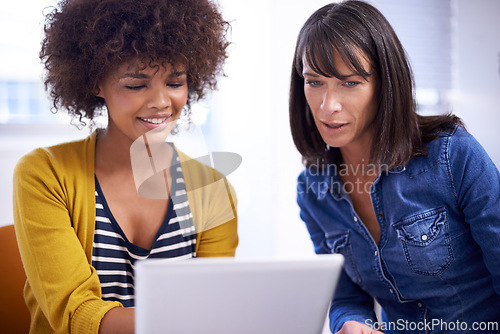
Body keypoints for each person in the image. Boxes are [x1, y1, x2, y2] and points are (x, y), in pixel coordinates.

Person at [13, 0, 238, 333]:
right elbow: (76, 314)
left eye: (175, 83)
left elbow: (212, 305)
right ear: (94, 82)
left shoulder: (213, 189)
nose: (162, 102)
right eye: (136, 84)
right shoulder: (45, 175)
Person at [289, 1, 500, 333]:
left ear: (384, 85)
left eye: (350, 82)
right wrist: (351, 323)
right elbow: (346, 299)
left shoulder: (453, 155)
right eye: (314, 82)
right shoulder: (313, 189)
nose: (328, 106)